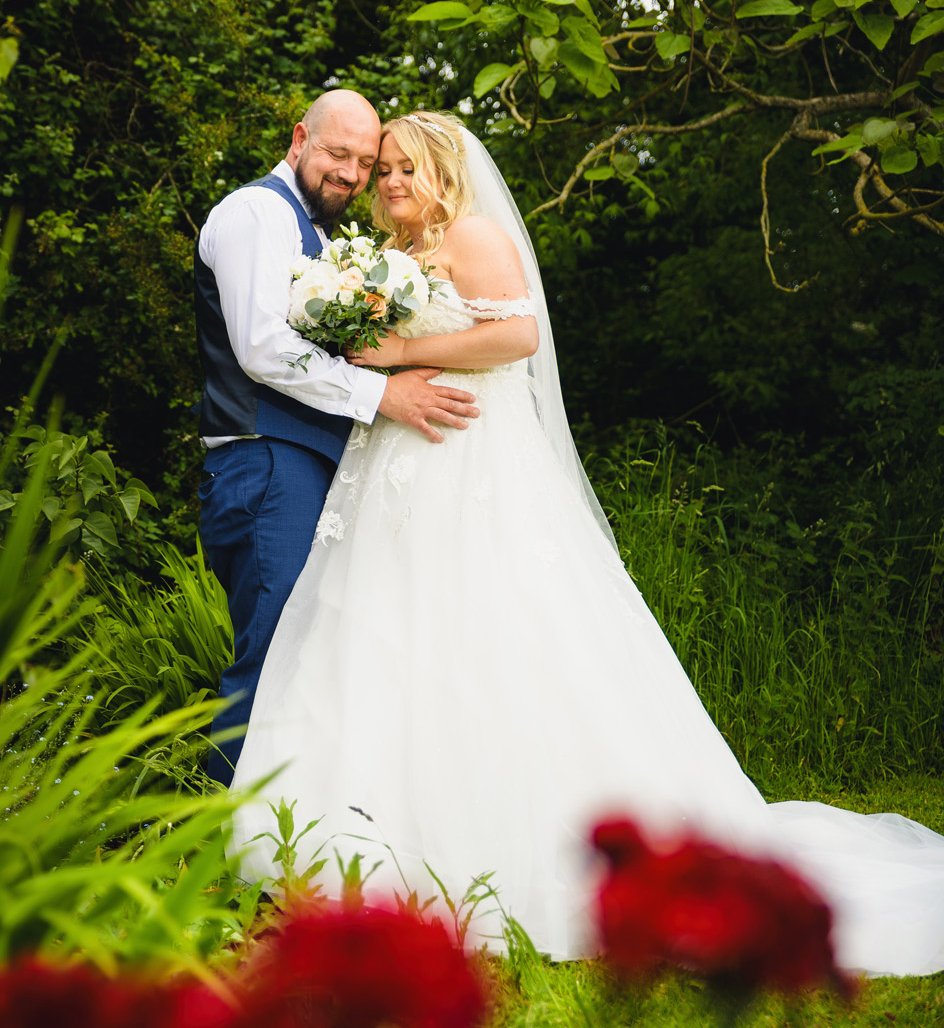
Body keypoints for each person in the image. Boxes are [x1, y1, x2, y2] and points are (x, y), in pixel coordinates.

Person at [228, 110, 944, 977]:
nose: (389, 184)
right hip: (395, 467)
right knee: (386, 633)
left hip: (471, 467)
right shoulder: (391, 261)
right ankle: (373, 844)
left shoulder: (476, 237)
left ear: (445, 171)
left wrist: (403, 349)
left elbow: (518, 334)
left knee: (491, 632)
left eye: (405, 169)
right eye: (381, 171)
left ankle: (507, 841)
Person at [194, 91, 480, 787]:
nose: (352, 174)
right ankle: (208, 838)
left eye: (365, 161)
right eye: (337, 154)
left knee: (311, 657)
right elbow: (262, 347)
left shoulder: (324, 241)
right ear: (299, 139)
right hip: (267, 463)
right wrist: (386, 393)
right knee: (273, 653)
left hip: (314, 466)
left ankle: (276, 840)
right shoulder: (256, 213)